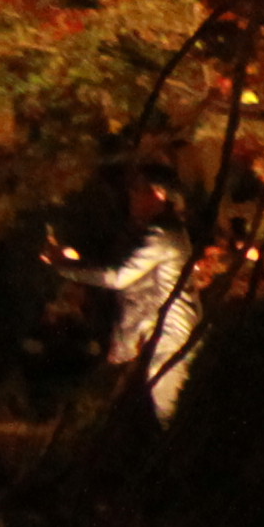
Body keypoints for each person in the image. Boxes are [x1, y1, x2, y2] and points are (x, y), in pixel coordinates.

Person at [72, 172, 204, 420]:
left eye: (139, 191)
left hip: (170, 338)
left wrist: (65, 269)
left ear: (159, 195)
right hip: (156, 336)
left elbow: (119, 277)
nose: (132, 198)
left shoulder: (163, 234)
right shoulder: (156, 233)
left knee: (167, 411)